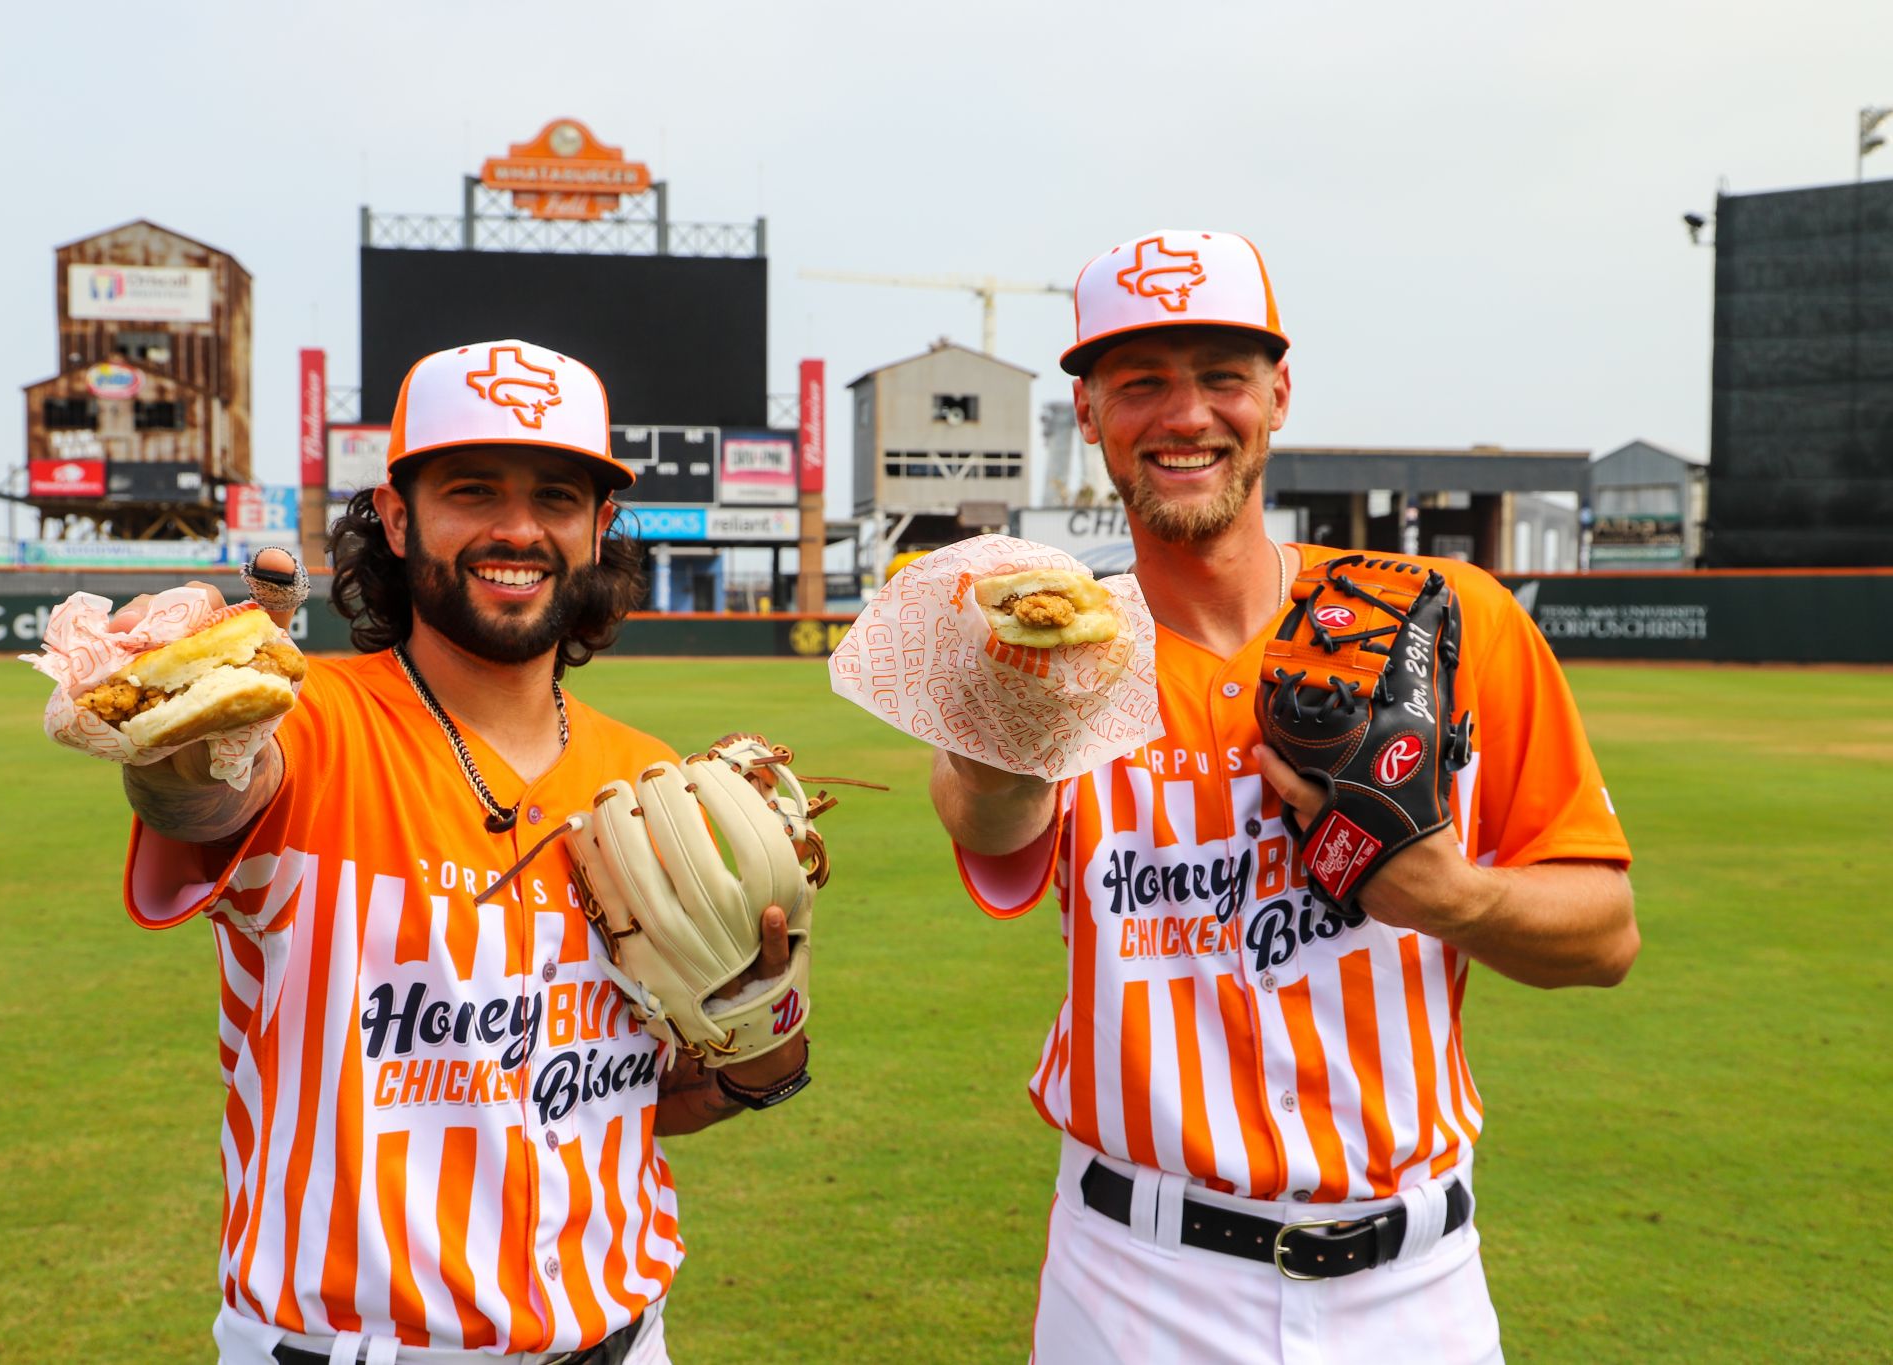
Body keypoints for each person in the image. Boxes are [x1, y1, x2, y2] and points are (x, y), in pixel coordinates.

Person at [930, 232, 1638, 1364]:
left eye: (1220, 376)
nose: (1184, 415)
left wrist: (1450, 898)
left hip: (1413, 1290)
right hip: (1132, 1281)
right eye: (1141, 382)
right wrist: (1004, 732)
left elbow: (1602, 935)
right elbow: (987, 820)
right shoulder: (1051, 642)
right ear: (1090, 410)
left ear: (1277, 394)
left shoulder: (1445, 619)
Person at [111, 339, 809, 1364]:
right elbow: (204, 803)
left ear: (598, 526)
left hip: (624, 1337)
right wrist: (189, 740)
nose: (517, 529)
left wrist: (765, 1040)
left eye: (557, 498)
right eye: (471, 490)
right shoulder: (307, 728)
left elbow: (639, 1102)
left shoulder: (648, 782)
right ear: (398, 519)